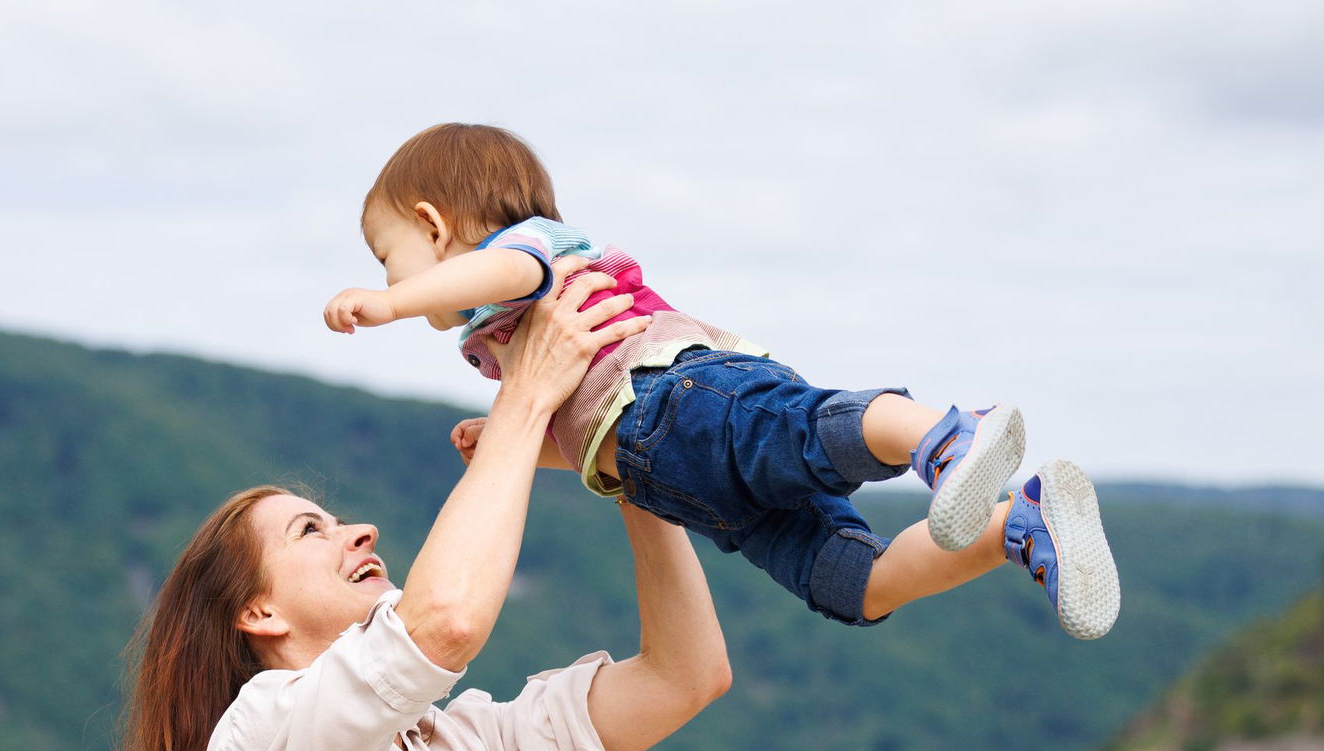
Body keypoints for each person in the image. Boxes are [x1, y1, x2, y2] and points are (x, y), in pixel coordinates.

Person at [118, 267, 731, 751]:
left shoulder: (474, 746)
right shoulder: (258, 739)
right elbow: (443, 623)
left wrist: (619, 457)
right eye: (312, 532)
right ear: (257, 614)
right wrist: (524, 399)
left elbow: (686, 675)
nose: (361, 532)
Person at [323, 122, 1121, 640]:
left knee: (802, 434)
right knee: (855, 583)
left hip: (680, 396)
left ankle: (946, 435)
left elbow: (505, 269)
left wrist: (390, 304)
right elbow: (587, 434)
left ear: (433, 227)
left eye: (389, 255)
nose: (390, 275)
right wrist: (517, 445)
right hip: (692, 488)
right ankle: (1017, 523)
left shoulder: (528, 252)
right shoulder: (507, 344)